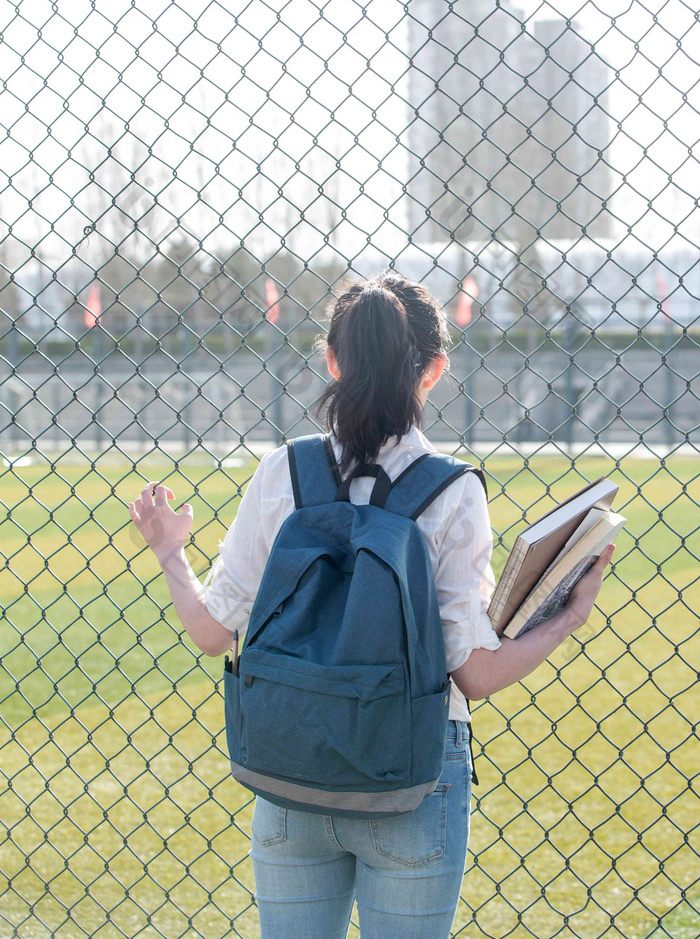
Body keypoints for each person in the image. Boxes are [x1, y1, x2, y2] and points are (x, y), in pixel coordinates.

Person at [128, 270, 615, 939]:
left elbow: (213, 632)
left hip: (289, 765)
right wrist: (568, 616)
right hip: (407, 775)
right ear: (435, 369)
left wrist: (169, 553)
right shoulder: (449, 492)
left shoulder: (283, 472)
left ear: (332, 360)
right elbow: (474, 673)